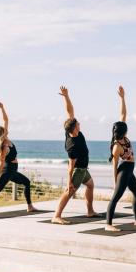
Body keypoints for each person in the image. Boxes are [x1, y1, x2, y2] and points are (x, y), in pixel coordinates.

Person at [51, 86, 97, 224]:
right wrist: (69, 181)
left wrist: (66, 96)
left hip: (84, 170)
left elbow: (70, 111)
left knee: (90, 185)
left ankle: (90, 211)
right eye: (78, 124)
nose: (79, 124)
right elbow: (70, 166)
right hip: (78, 171)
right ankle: (56, 216)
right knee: (69, 192)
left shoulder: (70, 130)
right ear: (74, 128)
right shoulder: (72, 145)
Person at [105, 86, 136, 232]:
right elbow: (115, 165)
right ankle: (108, 224)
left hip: (130, 170)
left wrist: (122, 98)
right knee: (116, 197)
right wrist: (115, 180)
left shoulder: (123, 137)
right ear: (123, 131)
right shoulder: (117, 146)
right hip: (124, 170)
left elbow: (123, 114)